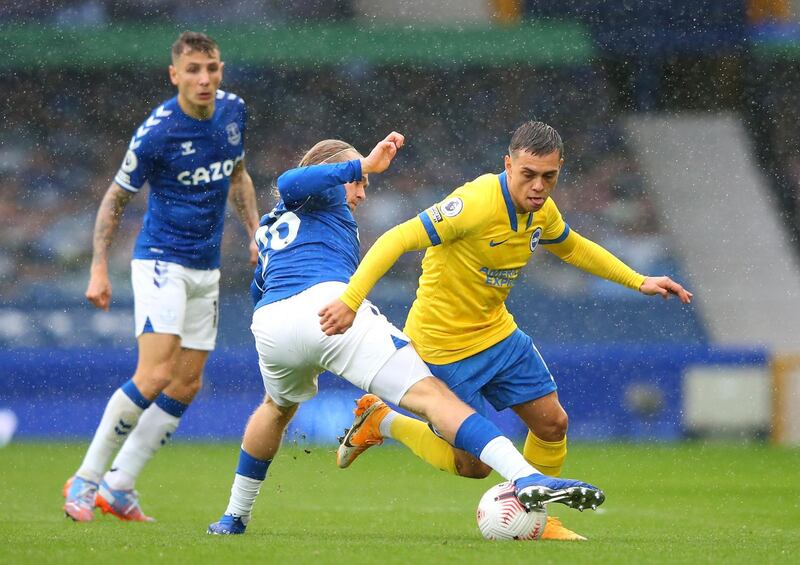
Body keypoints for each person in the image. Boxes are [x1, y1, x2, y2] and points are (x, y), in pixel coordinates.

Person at [206, 133, 605, 535]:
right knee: (433, 397)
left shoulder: (274, 227)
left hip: (272, 323)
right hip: (328, 306)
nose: (361, 193)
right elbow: (293, 180)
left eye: (364, 184)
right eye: (358, 184)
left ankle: (234, 517)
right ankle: (525, 476)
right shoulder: (324, 198)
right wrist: (362, 165)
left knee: (275, 409)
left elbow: (261, 287)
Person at [319, 120, 693, 541]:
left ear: (559, 169)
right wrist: (350, 301)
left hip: (498, 335)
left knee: (552, 423)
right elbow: (396, 238)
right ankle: (382, 420)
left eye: (548, 177)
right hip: (443, 347)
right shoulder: (475, 203)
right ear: (507, 164)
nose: (538, 186)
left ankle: (540, 520)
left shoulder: (542, 209)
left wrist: (637, 280)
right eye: (528, 175)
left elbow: (570, 245)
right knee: (473, 467)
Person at [63, 31, 260, 522]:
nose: (204, 78)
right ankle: (85, 479)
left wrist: (255, 232)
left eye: (211, 67)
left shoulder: (234, 112)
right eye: (193, 69)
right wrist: (98, 267)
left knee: (187, 383)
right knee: (153, 374)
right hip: (160, 262)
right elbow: (116, 198)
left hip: (205, 266)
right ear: (174, 75)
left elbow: (238, 176)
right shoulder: (158, 132)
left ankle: (120, 485)